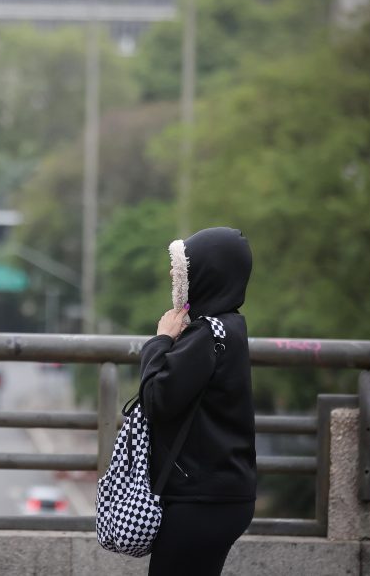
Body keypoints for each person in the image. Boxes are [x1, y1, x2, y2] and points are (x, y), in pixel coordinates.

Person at [139, 227, 257, 576]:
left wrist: (159, 342)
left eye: (182, 273)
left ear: (205, 275)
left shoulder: (206, 335)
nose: (176, 281)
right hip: (223, 493)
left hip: (201, 498)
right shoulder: (231, 326)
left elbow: (156, 400)